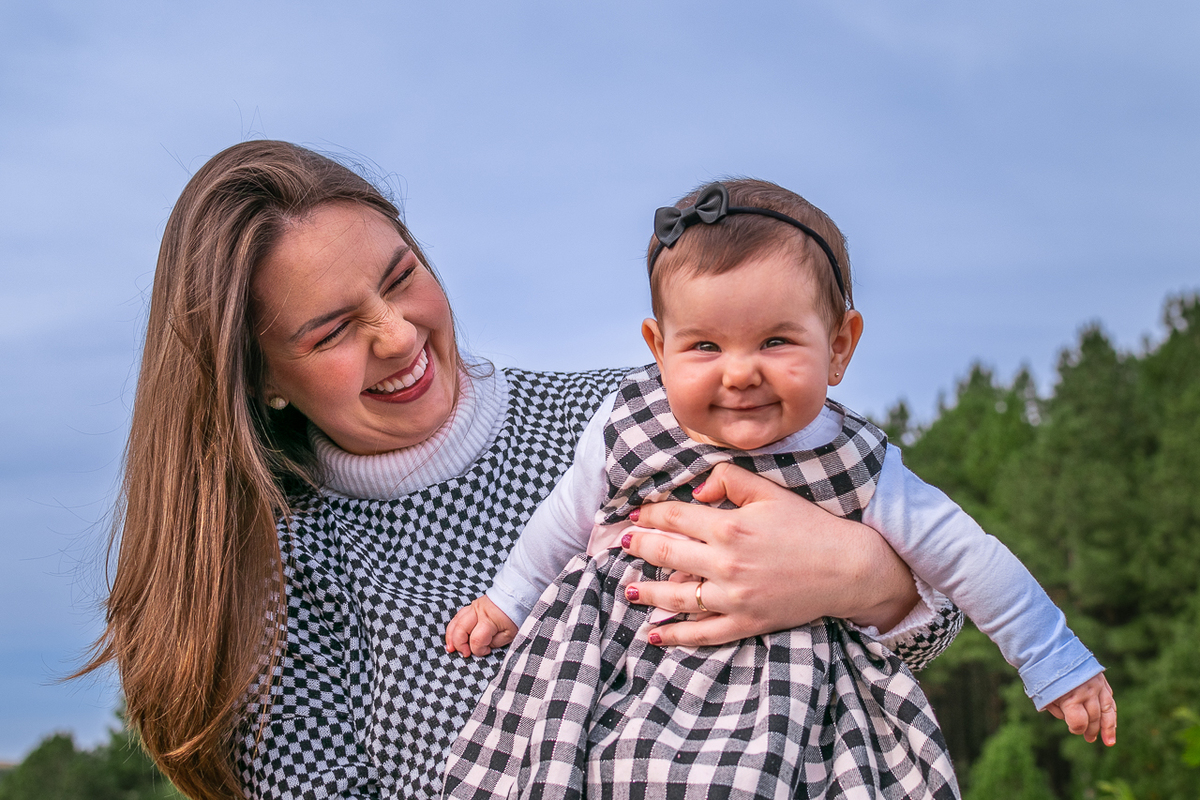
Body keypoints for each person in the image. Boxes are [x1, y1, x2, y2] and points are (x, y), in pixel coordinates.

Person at [79, 143, 962, 800]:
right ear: (262, 378)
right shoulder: (280, 581)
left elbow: (925, 630)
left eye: (402, 277)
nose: (397, 334)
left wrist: (860, 578)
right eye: (332, 331)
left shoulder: (624, 417)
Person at [444, 180, 1117, 800]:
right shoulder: (627, 420)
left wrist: (1054, 664)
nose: (739, 373)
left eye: (775, 340)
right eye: (705, 346)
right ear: (658, 347)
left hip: (786, 693)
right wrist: (510, 599)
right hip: (609, 659)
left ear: (839, 347)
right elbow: (562, 519)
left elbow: (970, 561)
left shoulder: (857, 463)